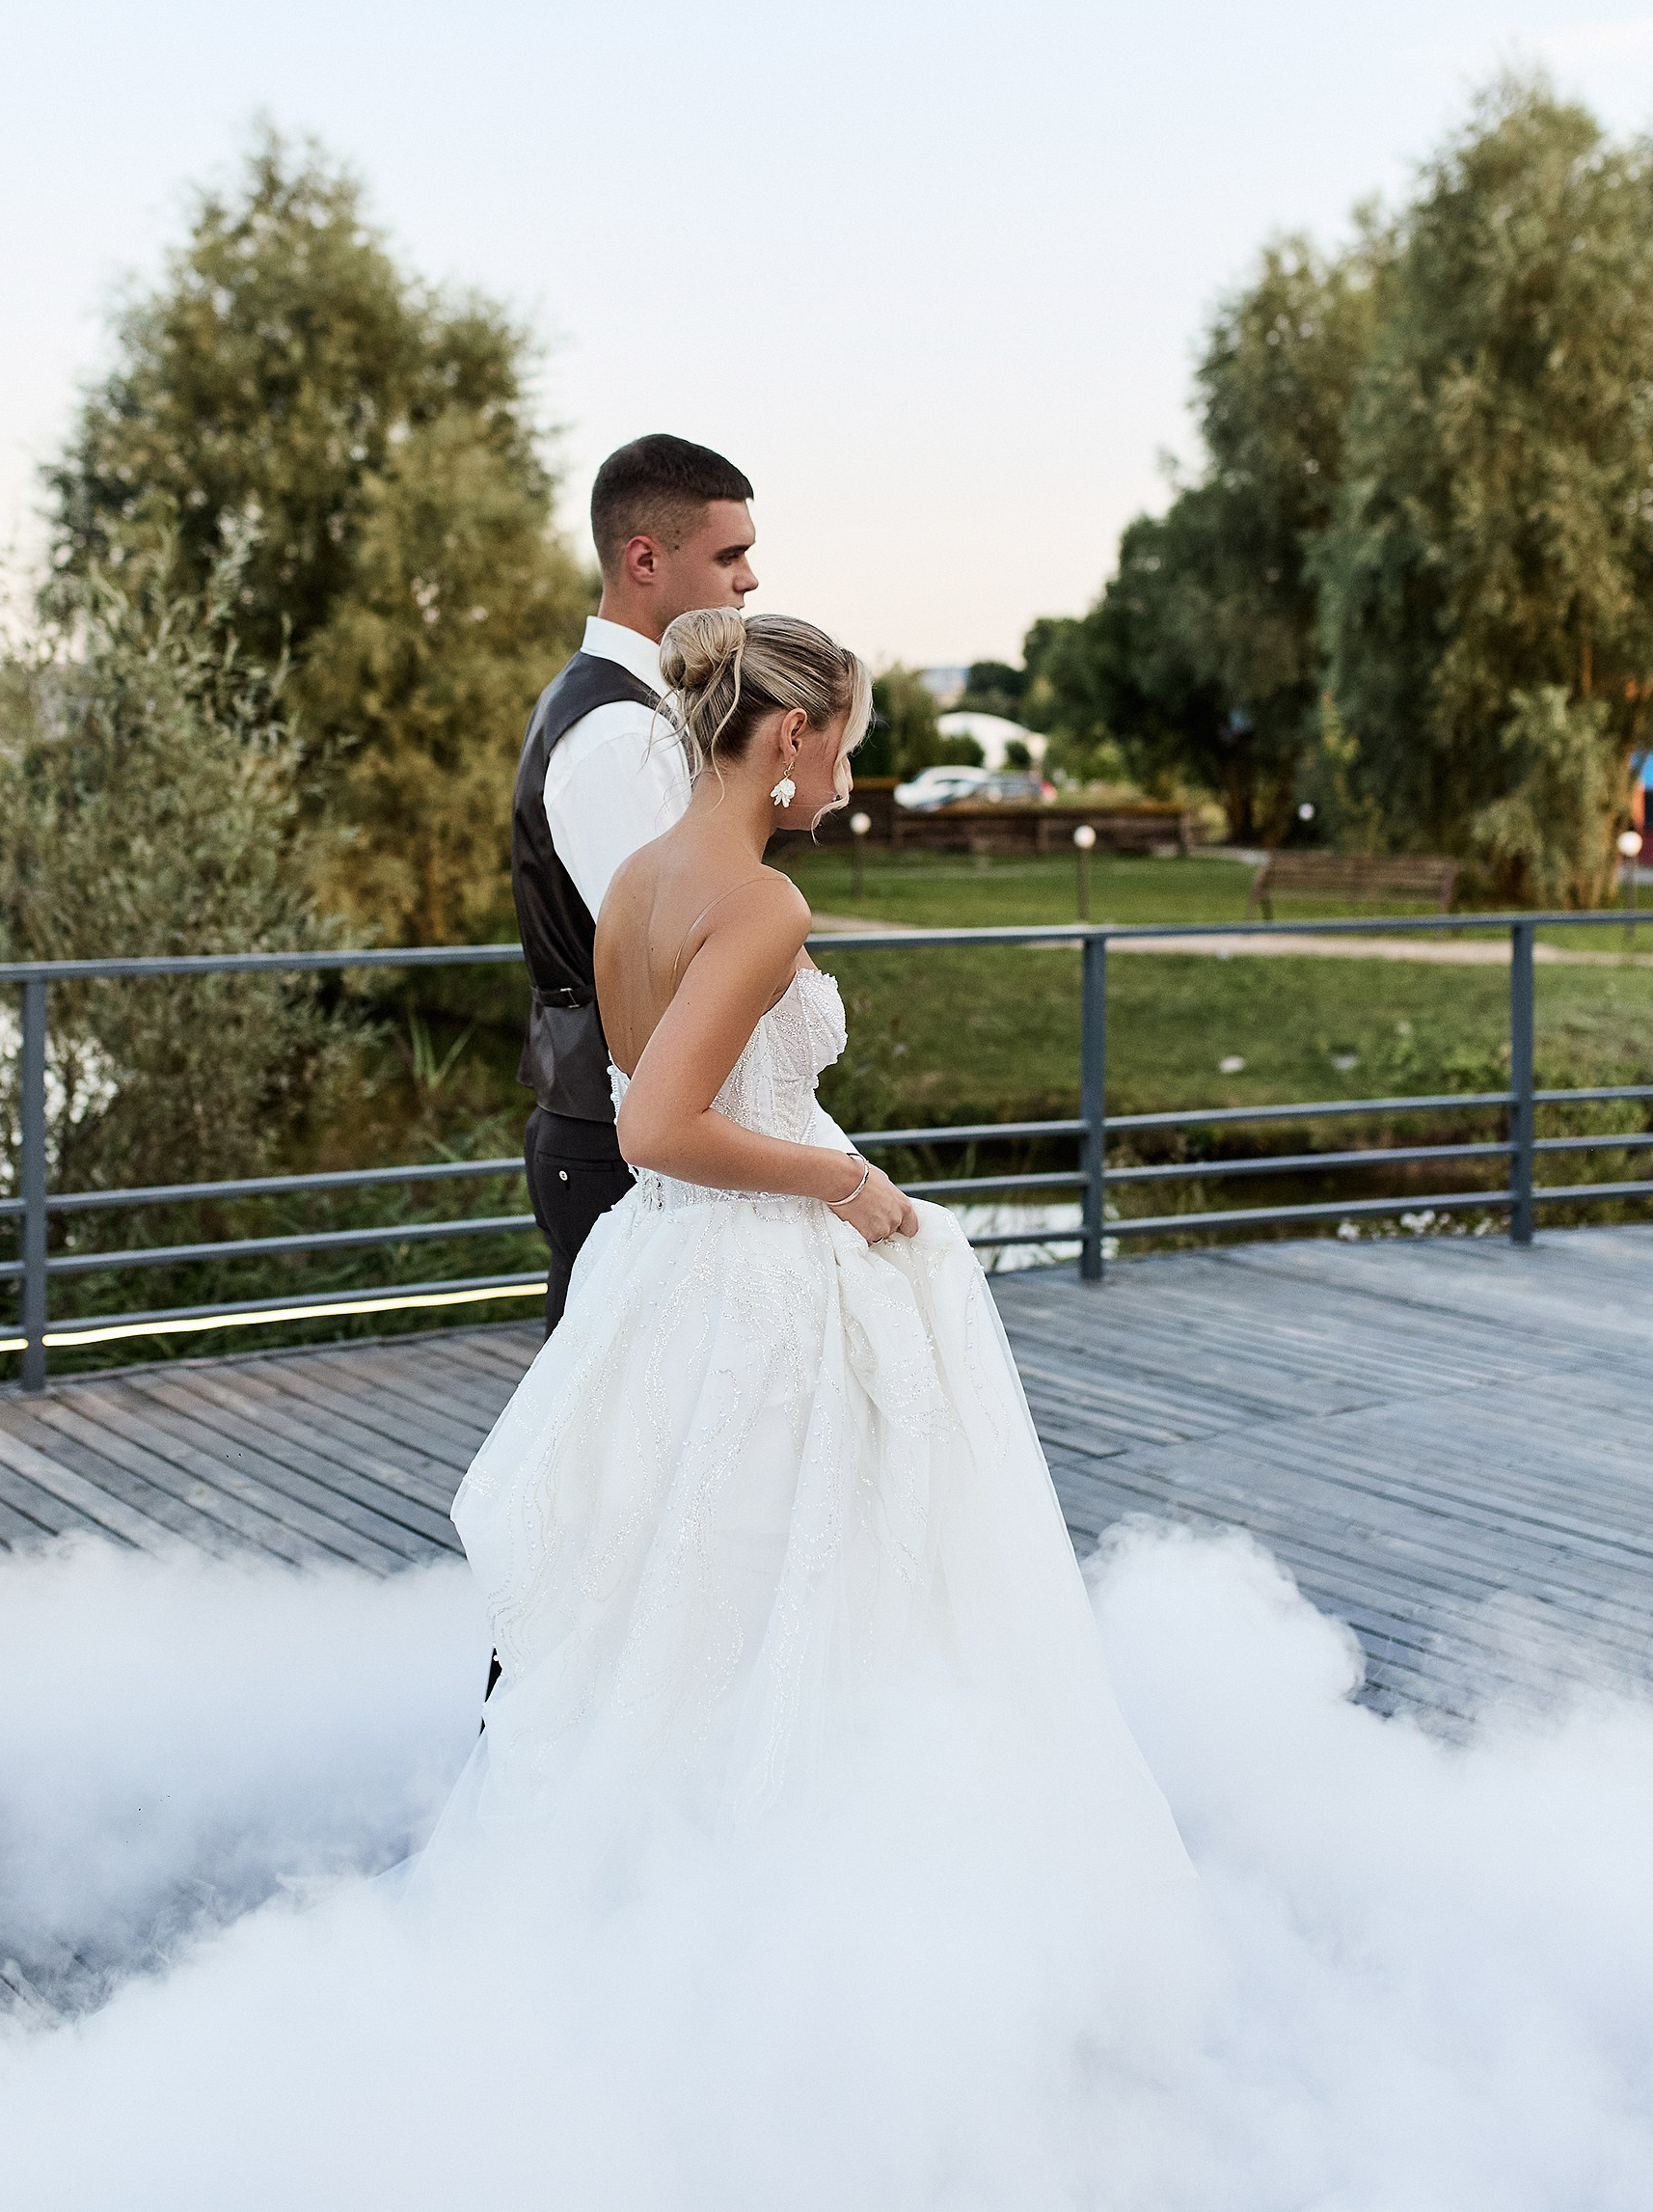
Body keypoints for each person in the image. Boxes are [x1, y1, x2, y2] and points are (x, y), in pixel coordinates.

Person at [435, 609, 1192, 1899]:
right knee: (815, 1605)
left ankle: (638, 1891)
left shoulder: (635, 880)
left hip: (656, 1271)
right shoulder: (763, 902)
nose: (851, 775)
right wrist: (841, 1178)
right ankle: (801, 1901)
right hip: (754, 1286)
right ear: (791, 735)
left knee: (677, 1621)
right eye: (847, 742)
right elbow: (660, 1124)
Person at [511, 432, 757, 1335]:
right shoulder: (616, 732)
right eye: (730, 555)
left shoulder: (638, 711)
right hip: (619, 1136)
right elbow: (672, 952)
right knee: (619, 1448)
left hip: (633, 1124)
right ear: (645, 559)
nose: (749, 580)